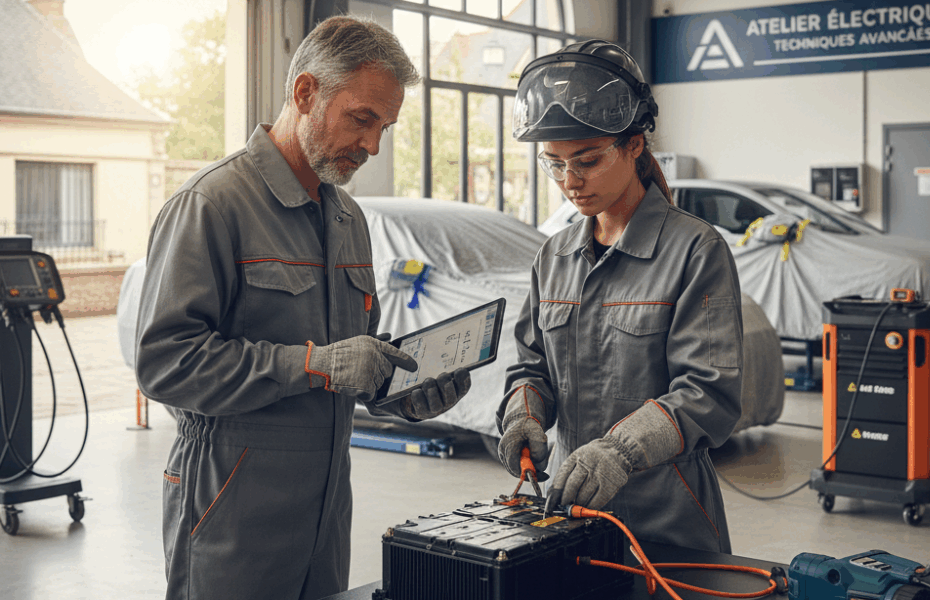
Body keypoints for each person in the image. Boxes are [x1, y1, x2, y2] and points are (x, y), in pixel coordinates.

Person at [135, 16, 471, 600]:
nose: (371, 145)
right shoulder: (211, 205)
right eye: (361, 118)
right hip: (230, 501)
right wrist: (312, 365)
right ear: (305, 92)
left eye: (384, 127)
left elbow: (350, 356)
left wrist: (401, 390)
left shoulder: (348, 219)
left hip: (325, 511)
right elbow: (165, 364)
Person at [496, 40, 743, 553]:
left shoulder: (696, 250)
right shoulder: (554, 256)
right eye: (554, 164)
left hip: (669, 519)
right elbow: (531, 367)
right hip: (572, 512)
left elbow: (709, 393)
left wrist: (621, 451)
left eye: (586, 160)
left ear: (634, 145)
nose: (570, 182)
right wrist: (524, 415)